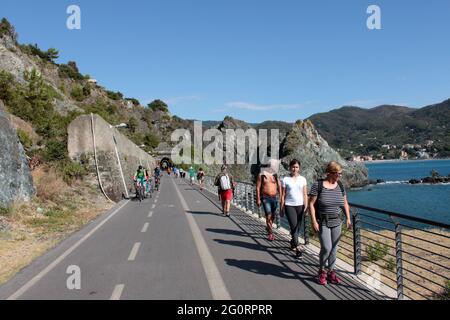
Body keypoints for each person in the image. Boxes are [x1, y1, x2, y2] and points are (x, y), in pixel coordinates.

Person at [309, 161, 351, 286]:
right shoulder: (318, 185)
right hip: (323, 221)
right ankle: (321, 271)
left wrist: (348, 218)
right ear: (331, 173)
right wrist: (313, 221)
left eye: (341, 174)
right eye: (338, 174)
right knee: (326, 248)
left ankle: (331, 272)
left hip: (337, 221)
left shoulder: (340, 185)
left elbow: (345, 203)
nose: (340, 176)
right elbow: (311, 204)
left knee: (334, 249)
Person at [281, 159, 308, 257]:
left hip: (300, 206)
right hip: (289, 205)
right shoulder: (285, 179)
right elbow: (283, 195)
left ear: (299, 168)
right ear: (289, 167)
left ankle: (293, 241)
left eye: (296, 167)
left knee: (297, 227)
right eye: (293, 167)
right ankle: (298, 249)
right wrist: (281, 208)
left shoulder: (303, 179)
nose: (294, 169)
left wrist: (306, 206)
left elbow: (305, 194)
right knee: (293, 226)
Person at [256, 159, 282, 242]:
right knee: (268, 215)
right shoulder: (262, 174)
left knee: (273, 216)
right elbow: (258, 187)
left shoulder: (275, 175)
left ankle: (268, 227)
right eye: (273, 165)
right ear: (269, 165)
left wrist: (281, 197)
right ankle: (271, 233)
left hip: (274, 197)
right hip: (265, 197)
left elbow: (279, 186)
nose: (274, 167)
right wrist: (258, 199)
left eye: (275, 166)